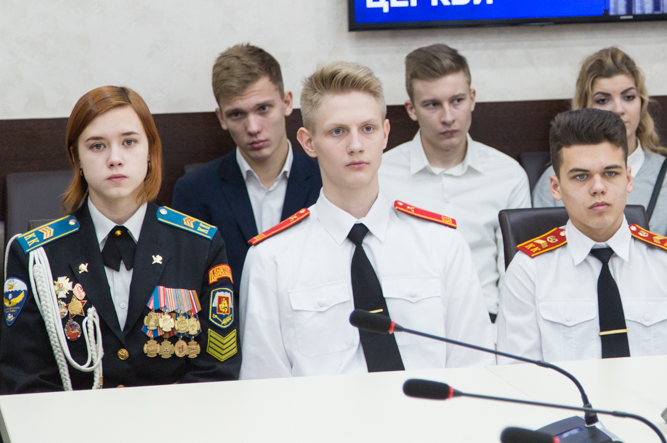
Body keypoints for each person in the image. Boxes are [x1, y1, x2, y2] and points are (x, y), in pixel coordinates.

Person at [239, 62, 493, 378]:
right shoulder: (271, 259)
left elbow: (474, 367)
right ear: (308, 142)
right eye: (337, 132)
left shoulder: (441, 243)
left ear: (385, 134)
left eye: (368, 129)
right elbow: (265, 385)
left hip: (428, 409)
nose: (356, 146)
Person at [1, 87, 240, 392]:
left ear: (150, 151)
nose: (114, 159)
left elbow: (217, 371)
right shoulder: (36, 256)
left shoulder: (200, 245)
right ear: (77, 157)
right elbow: (24, 379)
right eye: (97, 146)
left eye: (129, 142)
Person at [497, 109, 667, 362]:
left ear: (629, 179)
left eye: (611, 173)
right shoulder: (528, 272)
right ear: (556, 188)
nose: (598, 187)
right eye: (581, 176)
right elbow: (518, 376)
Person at [532, 47, 667, 305]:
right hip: (574, 307)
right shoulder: (556, 181)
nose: (618, 109)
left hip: (662, 308)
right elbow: (542, 265)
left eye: (629, 97)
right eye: (603, 100)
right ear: (584, 108)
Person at [378, 44, 530, 321]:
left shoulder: (508, 175)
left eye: (457, 101)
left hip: (489, 322)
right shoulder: (380, 175)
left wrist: (503, 335)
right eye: (432, 105)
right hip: (408, 325)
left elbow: (517, 274)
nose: (448, 117)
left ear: (472, 99)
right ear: (411, 109)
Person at [172, 44, 322, 288]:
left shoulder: (326, 182)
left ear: (287, 103)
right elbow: (187, 285)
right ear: (221, 118)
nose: (253, 128)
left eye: (263, 109)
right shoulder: (194, 191)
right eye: (237, 115)